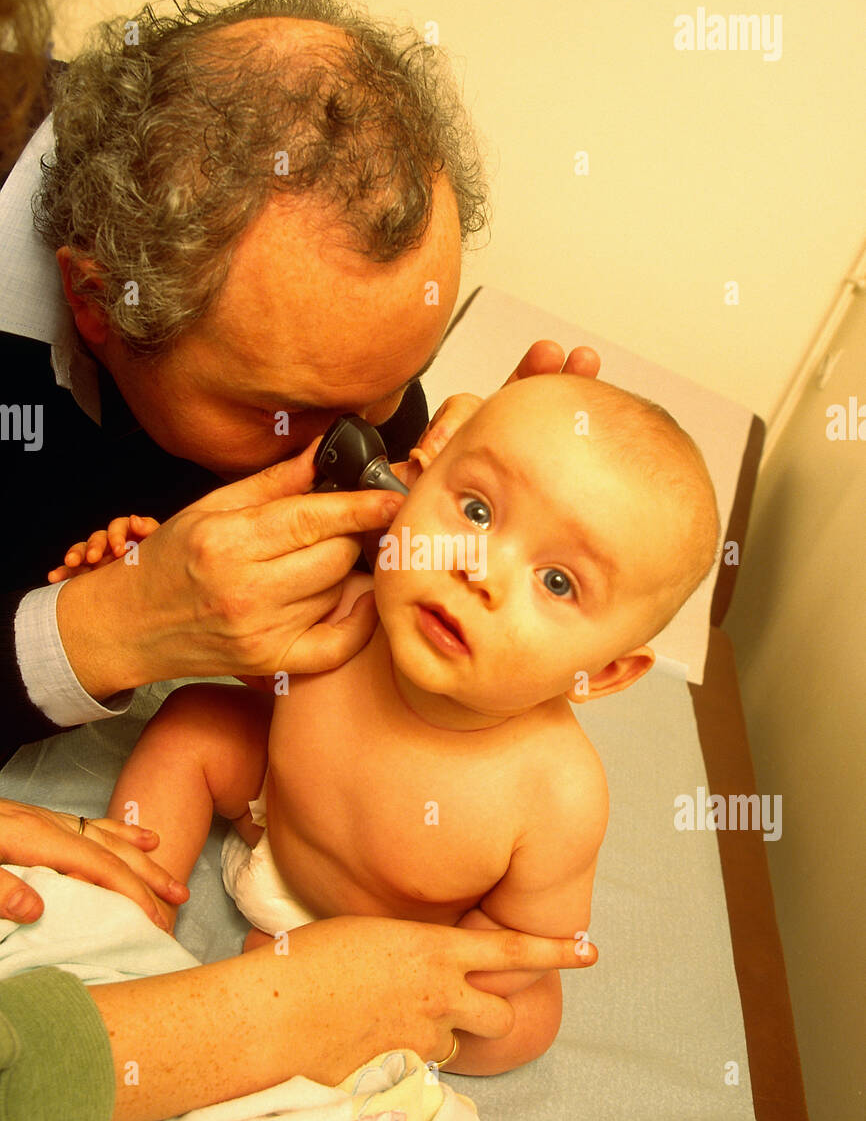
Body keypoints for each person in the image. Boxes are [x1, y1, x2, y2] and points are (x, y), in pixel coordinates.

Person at [0, 0, 601, 1121]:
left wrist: (482, 505)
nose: (351, 451)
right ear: (96, 305)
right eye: (290, 410)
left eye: (386, 391)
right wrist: (102, 627)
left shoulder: (328, 380)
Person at [83, 374, 720, 1077]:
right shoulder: (345, 606)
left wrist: (405, 977)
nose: (479, 570)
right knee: (195, 721)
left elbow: (526, 938)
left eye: (558, 582)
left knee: (524, 1020)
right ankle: (131, 910)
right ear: (418, 475)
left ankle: (338, 1022)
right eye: (476, 510)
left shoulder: (557, 791)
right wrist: (143, 586)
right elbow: (247, 654)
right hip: (276, 822)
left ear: (601, 674)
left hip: (401, 948)